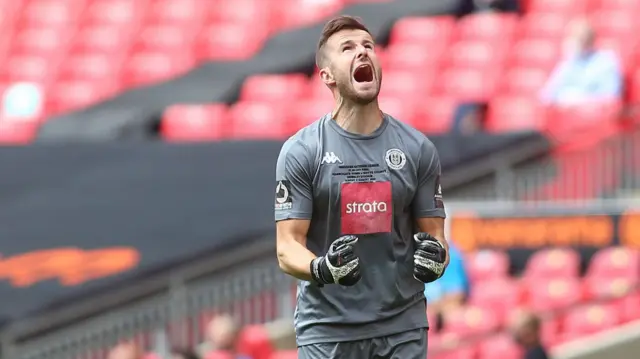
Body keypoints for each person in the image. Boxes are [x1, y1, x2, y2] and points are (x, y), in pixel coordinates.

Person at [275, 15, 449, 359]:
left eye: (368, 45)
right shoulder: (302, 151)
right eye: (348, 48)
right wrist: (322, 269)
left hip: (401, 328)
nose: (363, 52)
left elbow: (436, 238)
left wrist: (436, 259)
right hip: (326, 330)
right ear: (327, 76)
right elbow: (287, 247)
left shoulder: (417, 149)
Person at [540, 17, 622, 106]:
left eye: (578, 39)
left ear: (588, 41)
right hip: (566, 115)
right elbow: (547, 95)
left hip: (592, 116)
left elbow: (611, 97)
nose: (571, 43)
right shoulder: (568, 62)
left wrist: (580, 100)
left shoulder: (606, 62)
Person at [424, 240, 470, 330]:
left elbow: (457, 294)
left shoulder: (450, 254)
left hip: (442, 310)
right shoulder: (405, 255)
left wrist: (436, 309)